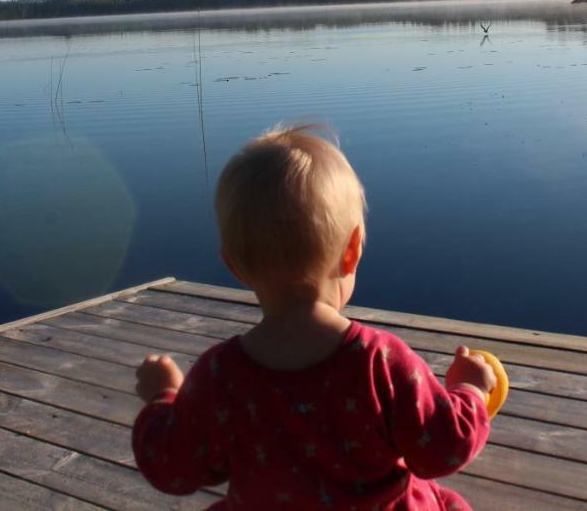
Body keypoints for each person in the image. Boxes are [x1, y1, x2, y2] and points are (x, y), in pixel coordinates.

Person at [132, 125, 497, 509]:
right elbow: (443, 448)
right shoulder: (381, 362)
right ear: (352, 249)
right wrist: (470, 389)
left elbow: (172, 468)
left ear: (234, 267)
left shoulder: (219, 375)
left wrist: (163, 397)